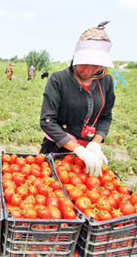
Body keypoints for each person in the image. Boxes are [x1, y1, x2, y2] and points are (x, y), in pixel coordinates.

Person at [39, 21, 116, 177]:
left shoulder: (106, 82)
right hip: (56, 148)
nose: (88, 70)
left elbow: (105, 117)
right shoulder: (58, 80)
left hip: (87, 153)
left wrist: (95, 143)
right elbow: (47, 121)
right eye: (84, 64)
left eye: (96, 66)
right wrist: (79, 150)